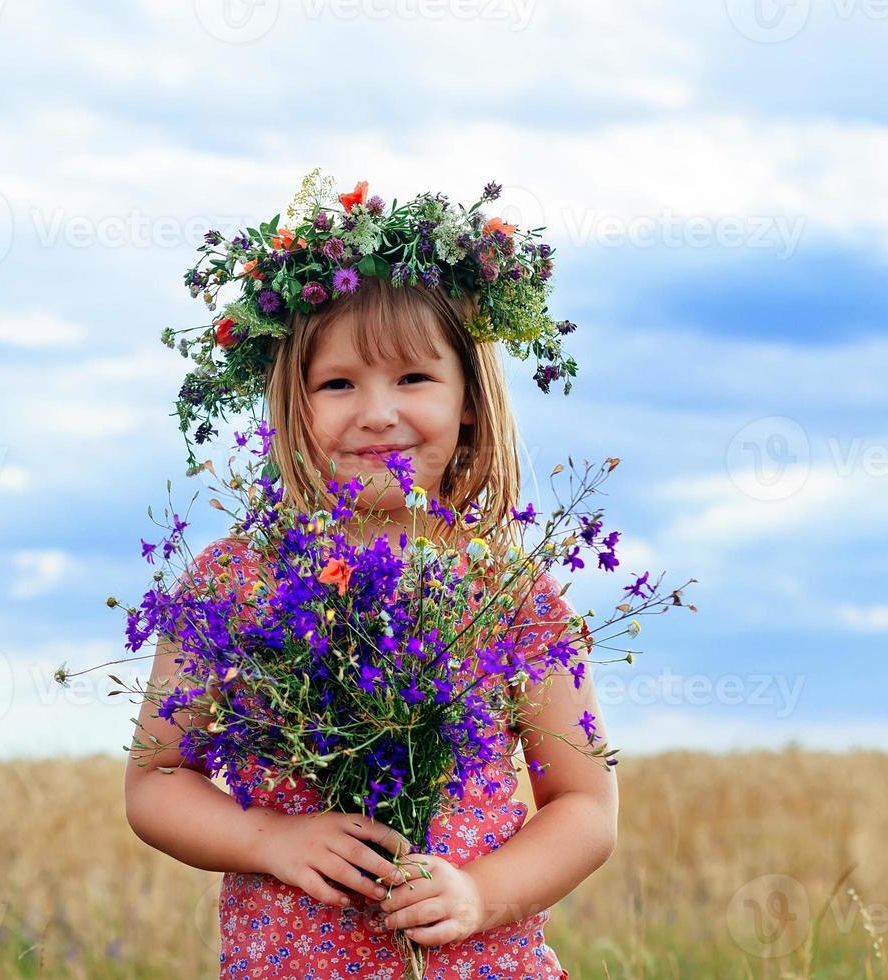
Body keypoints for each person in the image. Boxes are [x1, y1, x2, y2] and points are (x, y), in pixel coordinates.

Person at [125, 174, 612, 978]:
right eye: (338, 383)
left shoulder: (506, 587)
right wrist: (267, 839)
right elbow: (156, 781)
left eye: (412, 379)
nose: (377, 412)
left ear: (466, 400)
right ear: (293, 403)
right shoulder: (235, 581)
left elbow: (584, 806)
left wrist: (479, 893)